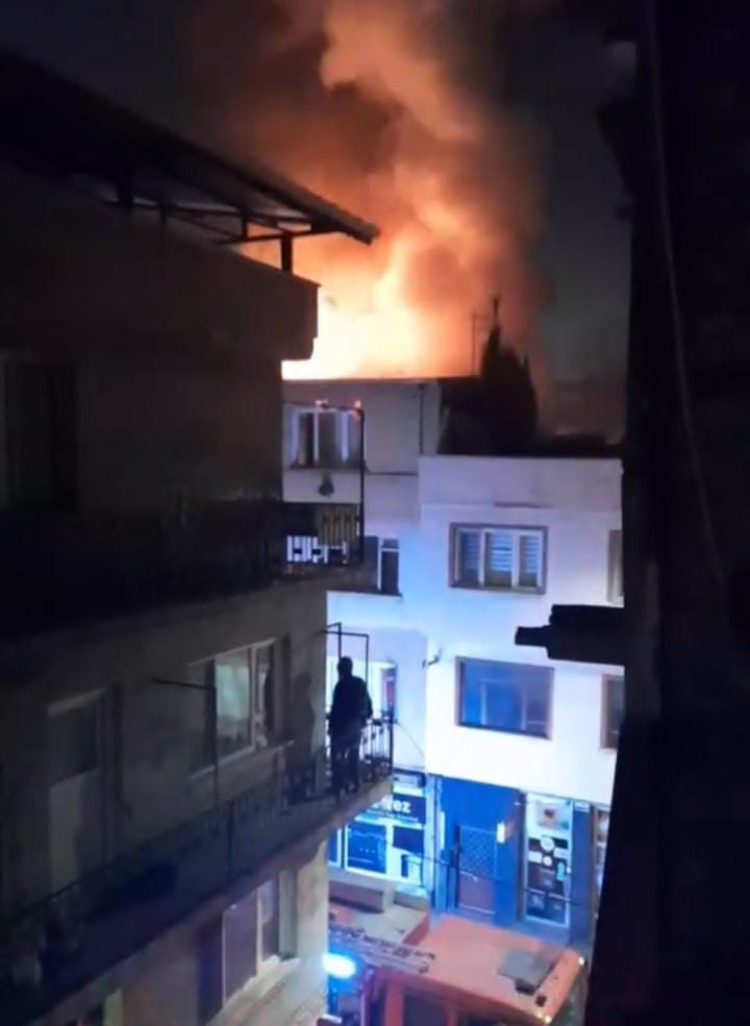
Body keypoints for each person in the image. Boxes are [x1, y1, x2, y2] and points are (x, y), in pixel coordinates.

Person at [329, 657, 372, 798]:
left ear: (340, 670)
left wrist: (332, 727)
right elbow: (368, 703)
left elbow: (336, 708)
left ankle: (339, 785)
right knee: (353, 754)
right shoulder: (359, 683)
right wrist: (364, 718)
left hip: (343, 726)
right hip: (356, 725)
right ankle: (354, 782)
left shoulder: (341, 686)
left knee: (338, 755)